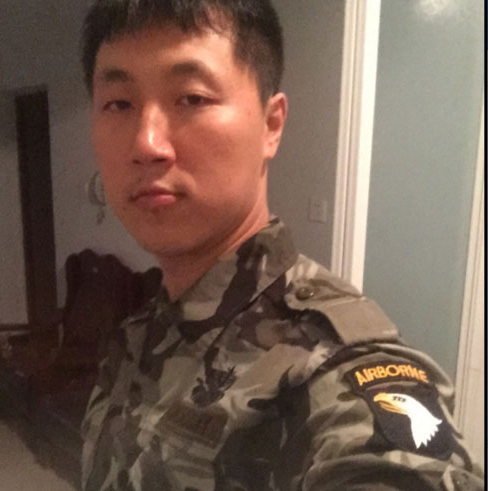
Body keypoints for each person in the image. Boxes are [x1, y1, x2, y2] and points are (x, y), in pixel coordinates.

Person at [79, 1, 483, 489]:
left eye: (191, 98)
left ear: (271, 125)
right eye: (119, 104)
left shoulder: (328, 365)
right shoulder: (141, 333)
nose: (147, 143)